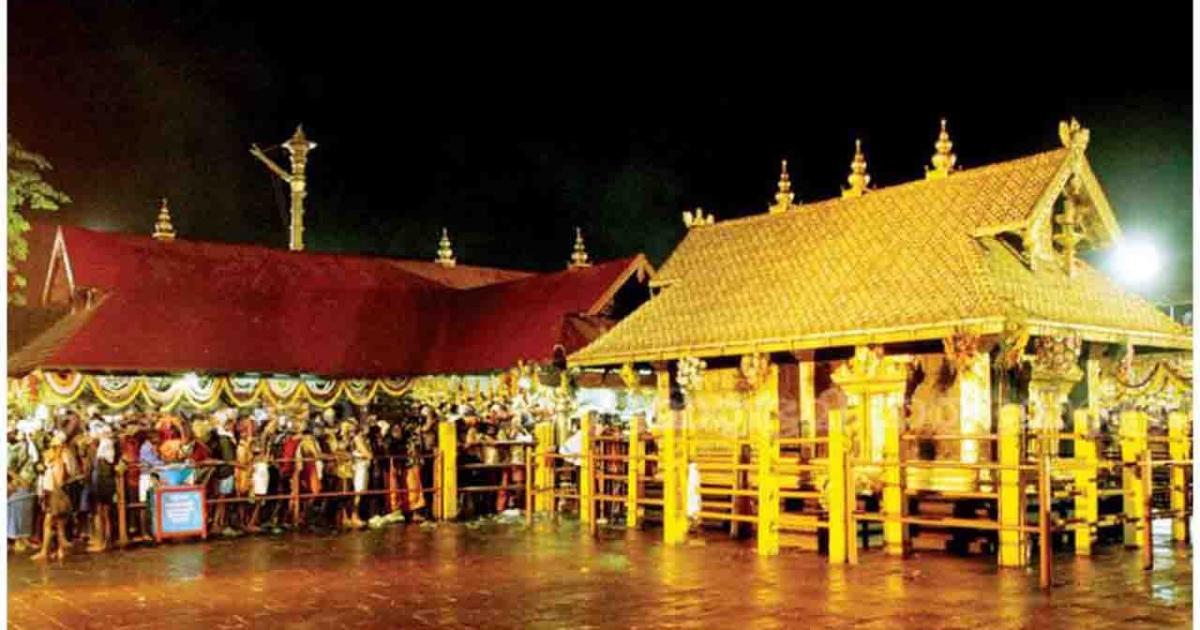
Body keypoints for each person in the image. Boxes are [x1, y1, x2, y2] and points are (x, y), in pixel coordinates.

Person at [32, 432, 73, 561]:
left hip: (54, 494)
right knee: (59, 523)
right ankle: (60, 550)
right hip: (51, 493)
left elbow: (59, 481)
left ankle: (45, 551)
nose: (52, 449)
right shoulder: (55, 460)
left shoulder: (60, 461)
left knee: (48, 523)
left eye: (55, 447)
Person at [87, 423, 117, 552]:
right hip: (105, 481)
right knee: (105, 513)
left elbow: (101, 468)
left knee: (102, 512)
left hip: (102, 482)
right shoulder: (109, 446)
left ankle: (102, 542)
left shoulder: (105, 447)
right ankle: (105, 542)